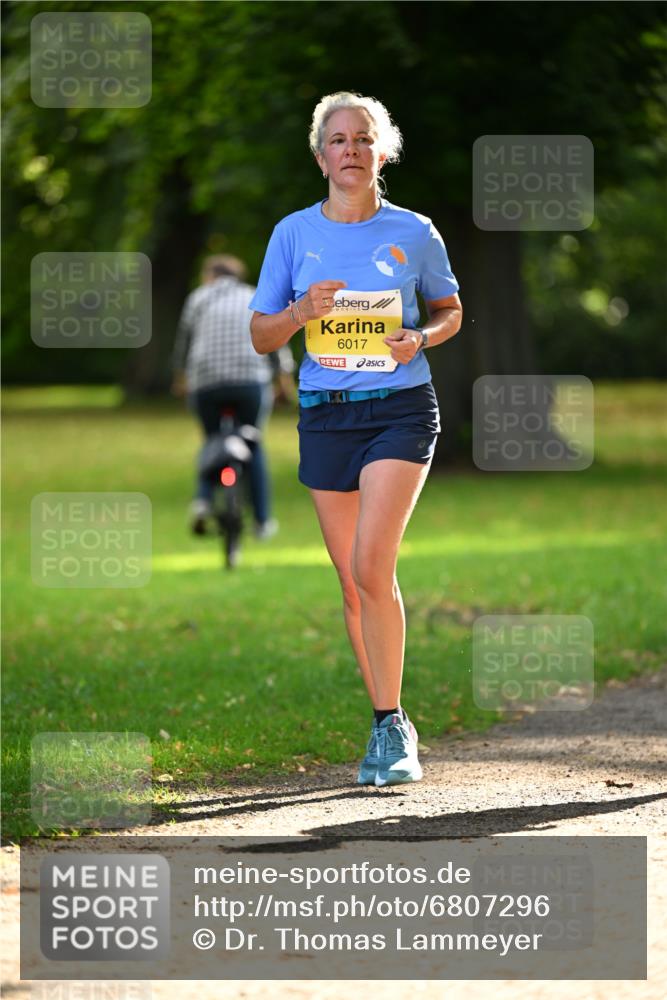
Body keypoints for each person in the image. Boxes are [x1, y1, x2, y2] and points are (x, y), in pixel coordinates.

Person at [249, 92, 462, 787]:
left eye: (363, 138)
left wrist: (420, 338)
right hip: (325, 414)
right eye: (338, 140)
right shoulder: (292, 234)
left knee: (372, 565)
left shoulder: (415, 231)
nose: (351, 149)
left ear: (383, 151)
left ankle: (390, 727)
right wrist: (298, 312)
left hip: (400, 408)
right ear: (320, 157)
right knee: (350, 581)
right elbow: (261, 336)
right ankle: (384, 719)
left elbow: (450, 309)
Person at [172, 253, 295, 538]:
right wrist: (284, 382)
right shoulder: (255, 297)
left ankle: (203, 501)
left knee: (211, 438)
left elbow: (183, 344)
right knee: (253, 442)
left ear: (210, 275)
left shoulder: (197, 298)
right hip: (250, 381)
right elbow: (275, 341)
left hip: (206, 382)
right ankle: (262, 521)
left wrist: (181, 379)